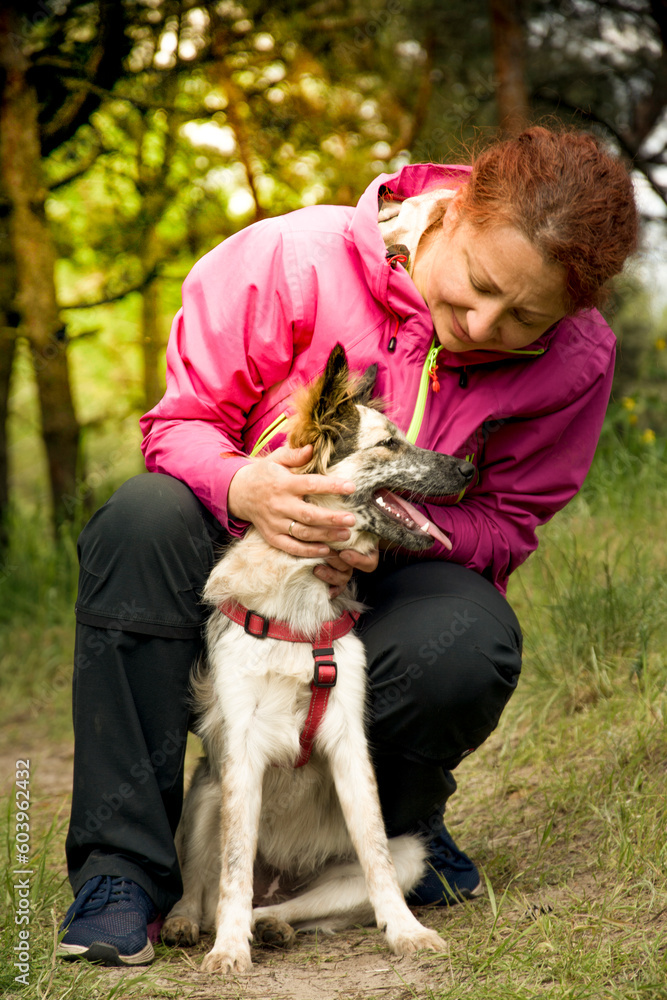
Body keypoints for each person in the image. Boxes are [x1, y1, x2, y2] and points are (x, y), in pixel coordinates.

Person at [58, 126, 638, 966]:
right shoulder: (291, 258)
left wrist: (389, 538)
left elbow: (507, 522)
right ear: (453, 213)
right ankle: (123, 869)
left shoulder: (577, 364)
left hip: (379, 586)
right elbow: (179, 425)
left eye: (524, 320)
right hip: (235, 556)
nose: (481, 324)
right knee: (138, 520)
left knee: (470, 641)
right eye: (477, 284)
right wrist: (245, 488)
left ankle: (391, 826)